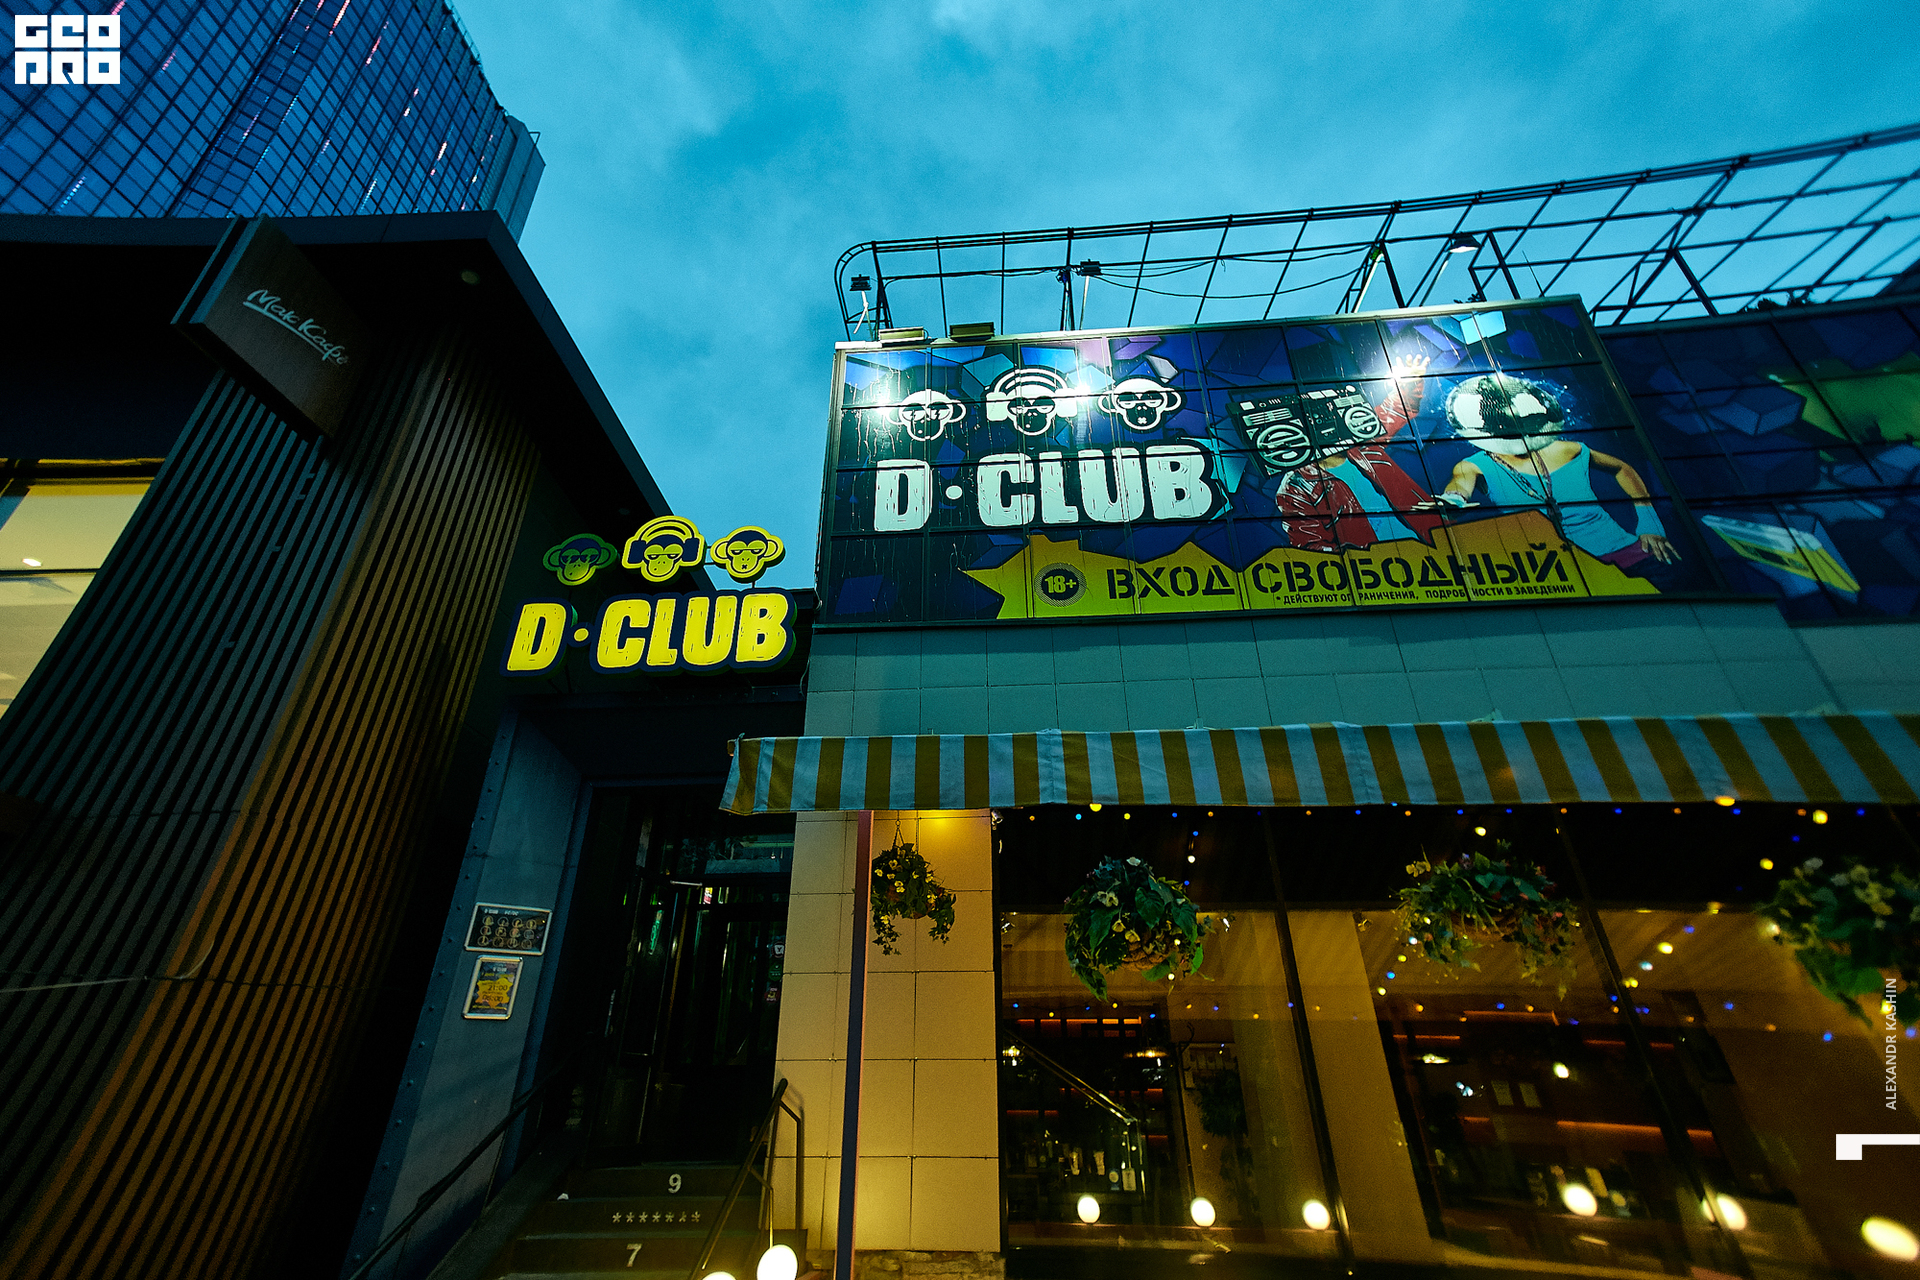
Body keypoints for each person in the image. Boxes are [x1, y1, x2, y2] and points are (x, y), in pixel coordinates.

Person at [1430, 373, 1679, 576]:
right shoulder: (1474, 466)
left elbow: (1623, 468)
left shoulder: (1567, 449)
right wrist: (1453, 500)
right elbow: (1459, 486)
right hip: (1558, 570)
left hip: (1629, 557)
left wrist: (1650, 523)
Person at [1268, 355, 1444, 552]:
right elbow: (1311, 546)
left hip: (1431, 545)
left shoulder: (1362, 443)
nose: (1323, 425)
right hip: (1380, 564)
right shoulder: (1295, 488)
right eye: (1313, 421)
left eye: (1326, 417)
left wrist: (1409, 386)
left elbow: (1394, 409)